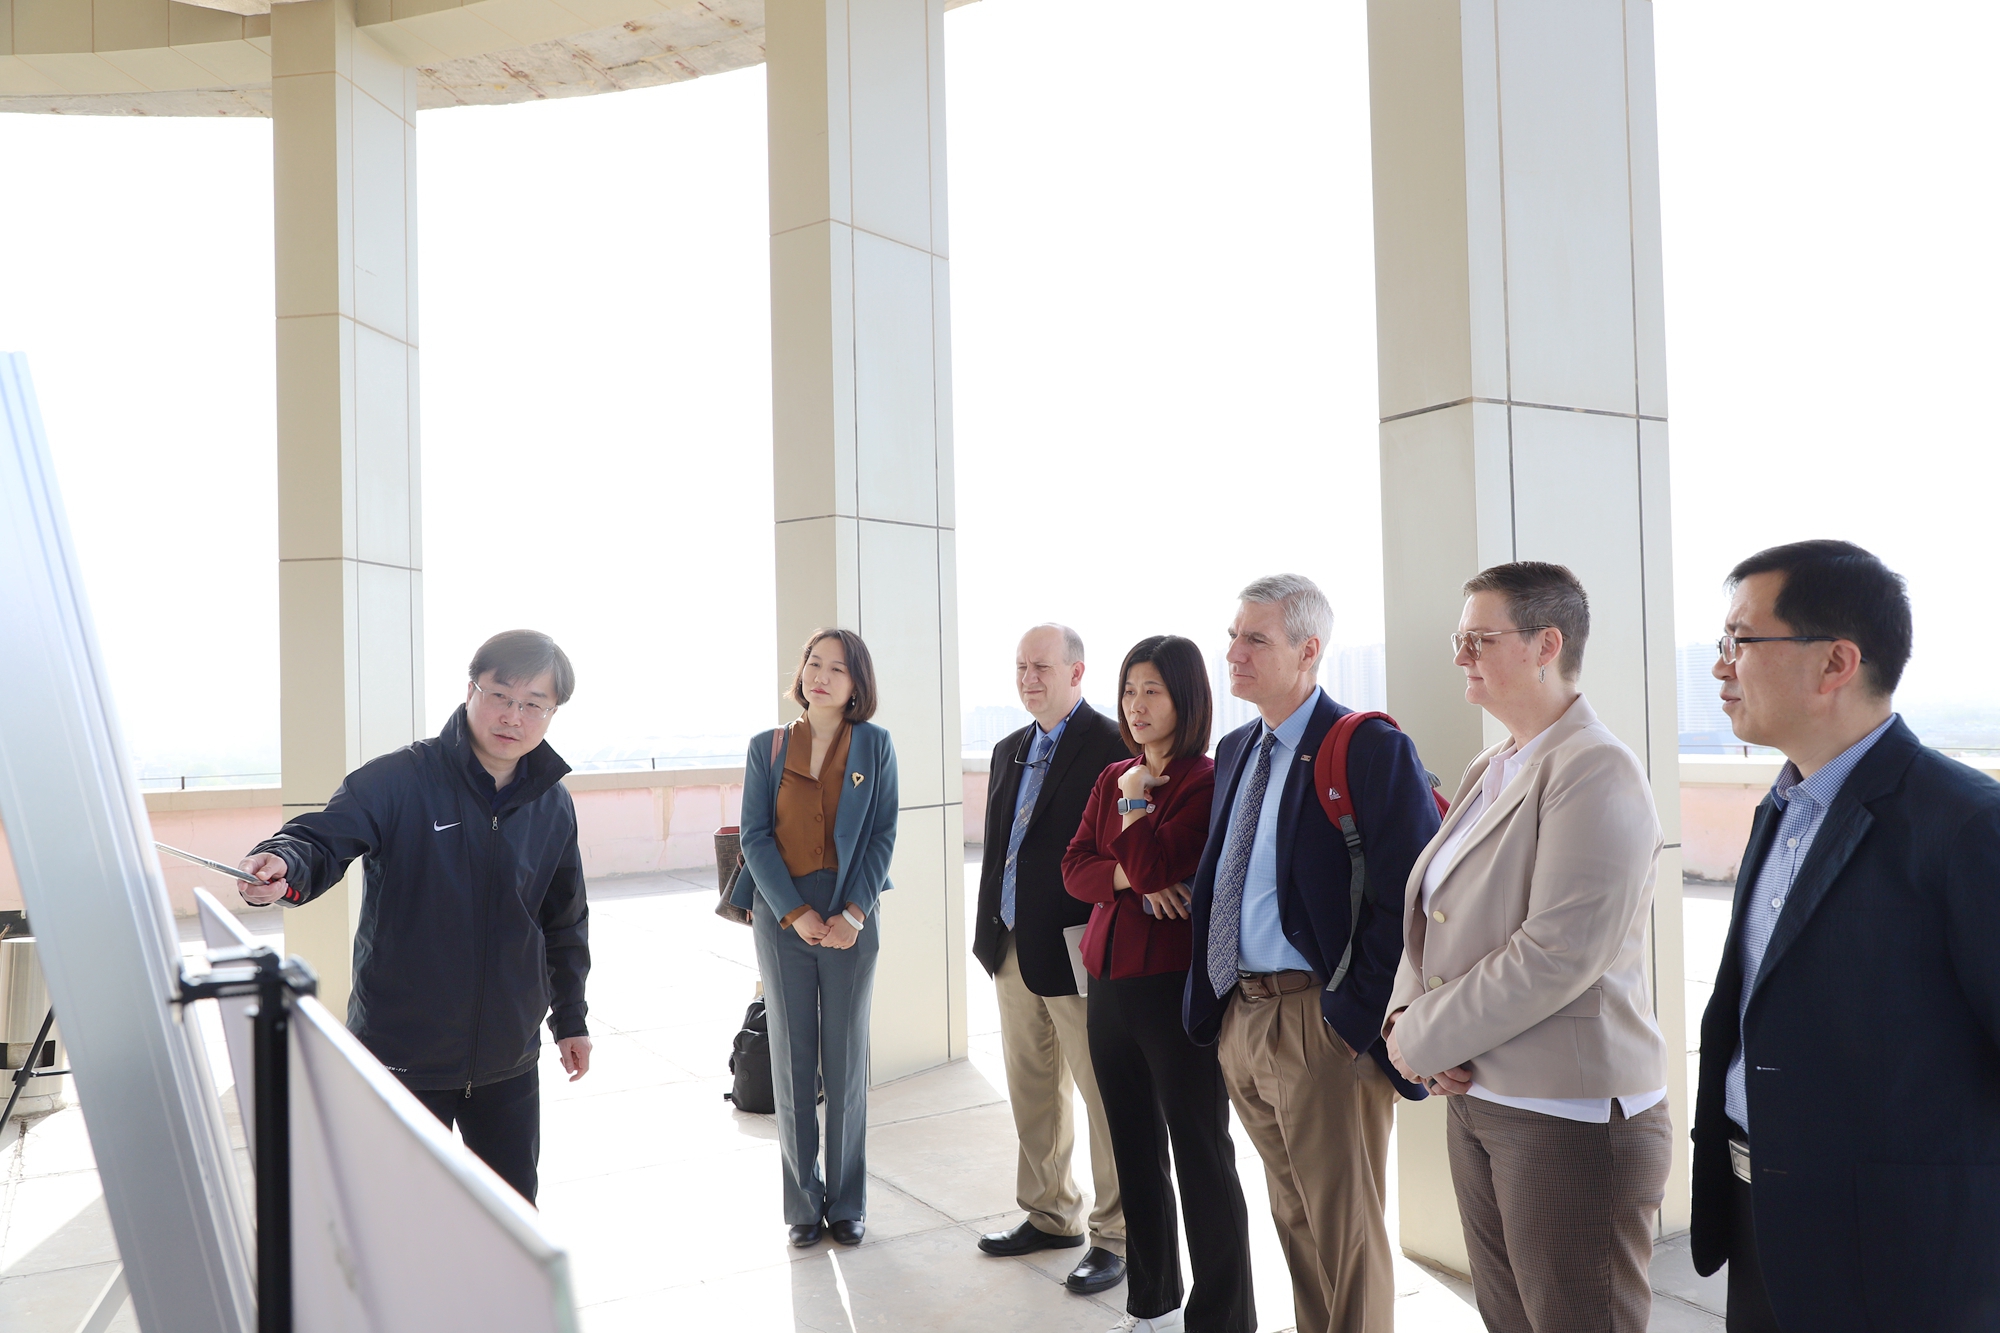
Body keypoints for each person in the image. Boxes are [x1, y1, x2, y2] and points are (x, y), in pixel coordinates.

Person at [1689, 540, 2000, 1332]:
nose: (1720, 666)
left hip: (1903, 1257)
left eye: (1739, 640)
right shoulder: (1781, 807)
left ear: (1835, 662)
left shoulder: (1966, 823)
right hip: (1764, 1221)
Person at [1384, 562, 1671, 1333]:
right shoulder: (1496, 763)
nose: (1460, 655)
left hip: (1567, 1115)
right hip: (1481, 1095)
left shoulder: (1597, 766)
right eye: (1460, 637)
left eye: (1479, 638)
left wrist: (1423, 1035)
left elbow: (1557, 952)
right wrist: (1408, 1019)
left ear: (1547, 645)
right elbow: (1434, 916)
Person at [238, 629, 591, 1205]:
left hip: (508, 1059)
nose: (513, 716)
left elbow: (564, 920)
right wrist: (283, 863)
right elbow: (322, 838)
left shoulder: (552, 802)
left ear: (552, 713)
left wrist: (570, 1018)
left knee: (509, 1218)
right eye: (501, 695)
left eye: (534, 704)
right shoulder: (400, 779)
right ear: (471, 690)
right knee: (394, 1217)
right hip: (401, 1055)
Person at [1183, 574, 1440, 1333]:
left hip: (1318, 1025)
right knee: (1294, 1222)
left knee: (1345, 1235)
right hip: (1242, 1016)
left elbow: (1410, 899)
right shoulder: (1237, 748)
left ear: (1308, 650)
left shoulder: (1368, 748)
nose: (1234, 652)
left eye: (1255, 638)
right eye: (1233, 635)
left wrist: (1348, 1020)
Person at [1064, 635, 1255, 1333]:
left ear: (1187, 699)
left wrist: (1134, 813)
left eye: (1152, 691)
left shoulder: (1206, 780)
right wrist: (1127, 875)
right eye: (1129, 690)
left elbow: (1155, 868)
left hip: (1175, 989)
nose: (1135, 705)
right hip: (1109, 982)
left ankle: (1223, 1316)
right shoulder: (1114, 774)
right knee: (1134, 1150)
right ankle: (1151, 1301)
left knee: (1200, 1151)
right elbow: (1075, 869)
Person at [970, 625, 1129, 1294]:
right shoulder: (1007, 749)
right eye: (1020, 667)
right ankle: (1050, 1211)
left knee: (1104, 1094)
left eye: (1041, 666)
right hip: (1010, 943)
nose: (1028, 678)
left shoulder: (1111, 745)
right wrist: (989, 931)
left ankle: (1117, 1233)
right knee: (1033, 1089)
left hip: (1077, 946)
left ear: (1077, 671)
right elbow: (1003, 848)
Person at [729, 628, 899, 1249]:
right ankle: (802, 1204)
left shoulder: (876, 745)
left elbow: (882, 834)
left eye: (837, 668)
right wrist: (794, 911)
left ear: (857, 684)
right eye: (813, 664)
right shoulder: (767, 747)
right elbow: (754, 837)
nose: (821, 676)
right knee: (792, 1058)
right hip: (783, 914)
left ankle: (848, 1203)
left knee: (846, 1059)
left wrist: (854, 913)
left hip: (853, 913)